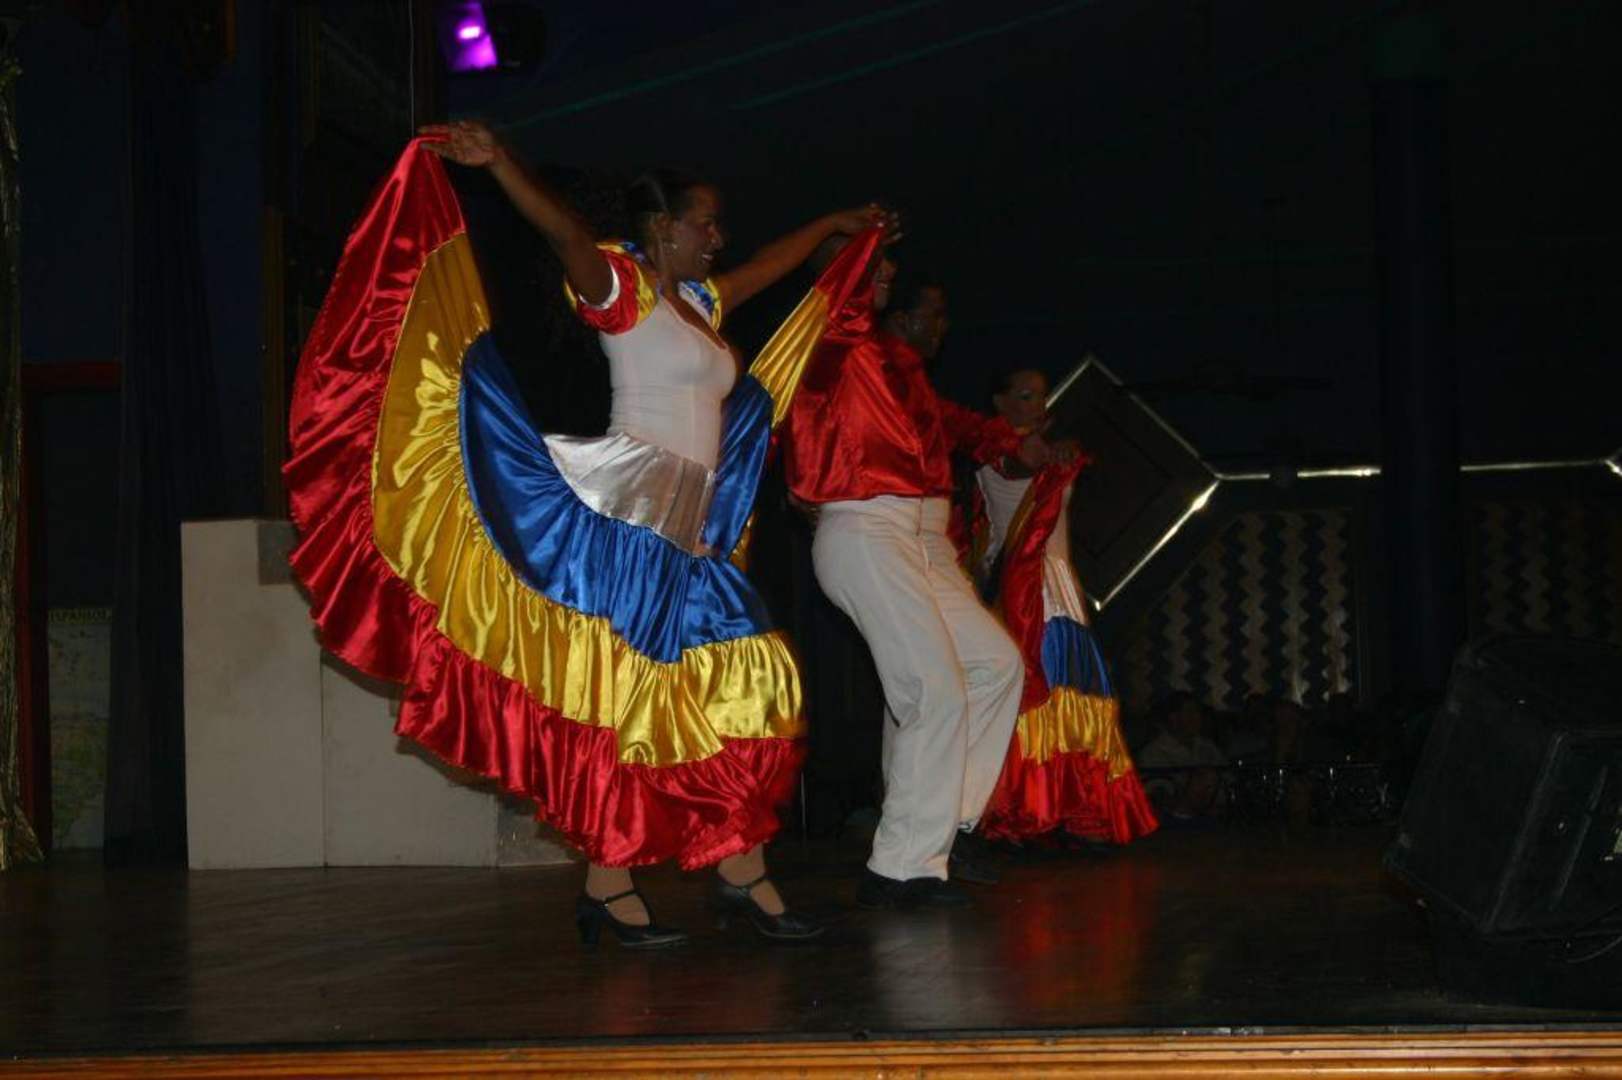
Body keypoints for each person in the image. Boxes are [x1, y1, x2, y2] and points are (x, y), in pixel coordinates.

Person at [284, 119, 889, 948]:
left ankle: (734, 872)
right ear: (661, 228)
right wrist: (501, 162)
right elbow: (565, 233)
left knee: (750, 686)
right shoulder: (624, 291)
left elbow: (768, 269)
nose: (718, 237)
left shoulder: (701, 304)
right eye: (705, 223)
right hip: (626, 530)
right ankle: (630, 890)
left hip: (690, 543)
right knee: (627, 711)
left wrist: (830, 227)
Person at [780, 261, 1074, 909]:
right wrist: (860, 240)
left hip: (924, 540)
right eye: (933, 312)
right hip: (868, 529)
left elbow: (958, 425)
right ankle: (900, 866)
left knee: (995, 666)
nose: (943, 325)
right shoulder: (844, 352)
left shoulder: (906, 373)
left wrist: (1011, 443)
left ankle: (941, 826)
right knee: (933, 689)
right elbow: (837, 314)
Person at [968, 367, 1158, 848]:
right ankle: (1031, 810)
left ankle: (1076, 809)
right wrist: (1050, 452)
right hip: (1028, 592)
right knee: (1041, 695)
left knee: (1075, 695)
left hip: (1060, 589)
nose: (1037, 404)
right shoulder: (998, 455)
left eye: (1041, 396)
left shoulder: (1045, 448)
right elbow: (1020, 464)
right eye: (1024, 396)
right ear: (1000, 403)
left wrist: (1059, 450)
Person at [1137, 692, 1228, 823]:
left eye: (1198, 712)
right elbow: (1158, 795)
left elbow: (1227, 780)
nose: (1197, 717)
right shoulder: (1153, 753)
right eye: (1190, 712)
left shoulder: (1208, 747)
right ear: (1173, 718)